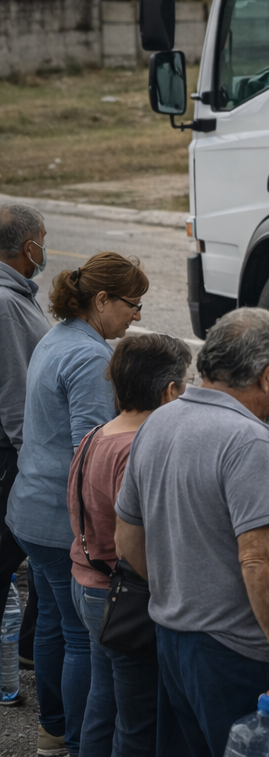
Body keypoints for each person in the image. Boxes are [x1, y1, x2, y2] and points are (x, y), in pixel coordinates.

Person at [113, 307, 269, 757]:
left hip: (171, 636)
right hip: (236, 653)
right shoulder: (245, 440)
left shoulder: (158, 420)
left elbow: (126, 540)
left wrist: (184, 588)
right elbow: (259, 562)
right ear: (268, 375)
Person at [10, 252, 147, 757]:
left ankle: (52, 731)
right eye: (132, 304)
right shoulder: (91, 357)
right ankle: (74, 739)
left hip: (29, 506)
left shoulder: (60, 334)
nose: (136, 315)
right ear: (103, 299)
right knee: (79, 638)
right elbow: (90, 451)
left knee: (50, 624)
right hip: (57, 521)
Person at [69, 333, 191, 757]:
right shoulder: (136, 447)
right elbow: (132, 541)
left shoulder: (98, 434)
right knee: (137, 723)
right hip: (119, 595)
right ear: (169, 391)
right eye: (185, 383)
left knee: (103, 703)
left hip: (87, 582)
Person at [0, 204, 50, 692]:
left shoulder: (19, 294)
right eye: (42, 238)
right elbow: (14, 392)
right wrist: (29, 458)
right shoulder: (6, 303)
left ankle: (29, 647)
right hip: (11, 456)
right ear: (26, 246)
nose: (44, 248)